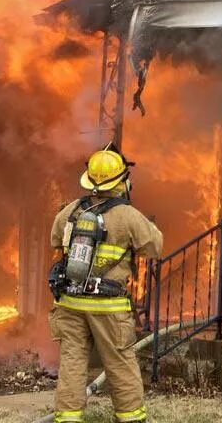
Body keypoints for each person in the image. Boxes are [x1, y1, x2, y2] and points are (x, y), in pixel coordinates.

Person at [48, 143, 163, 423]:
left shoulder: (71, 211)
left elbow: (54, 240)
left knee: (73, 363)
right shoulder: (127, 215)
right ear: (123, 180)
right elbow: (154, 247)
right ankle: (131, 417)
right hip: (108, 307)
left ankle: (69, 418)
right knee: (120, 362)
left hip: (70, 303)